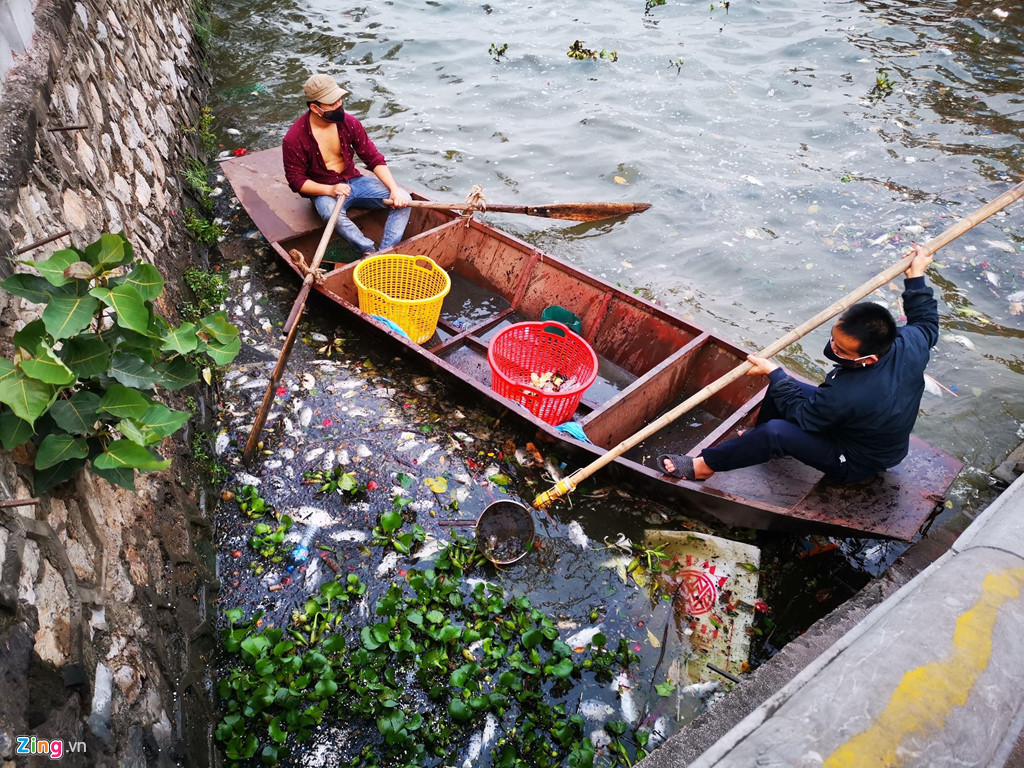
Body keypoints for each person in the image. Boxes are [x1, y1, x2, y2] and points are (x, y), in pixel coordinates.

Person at [657, 245, 938, 484]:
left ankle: (703, 467)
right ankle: (754, 441)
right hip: (865, 425)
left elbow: (805, 416)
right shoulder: (913, 340)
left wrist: (775, 374)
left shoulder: (850, 393)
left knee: (775, 428)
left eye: (841, 349)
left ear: (870, 358)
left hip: (856, 458)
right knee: (780, 390)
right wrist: (916, 275)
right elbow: (925, 320)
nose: (833, 348)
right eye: (834, 338)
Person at [282, 73, 412, 258]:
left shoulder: (349, 123)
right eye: (331, 103)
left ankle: (384, 253)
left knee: (405, 199)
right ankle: (367, 249)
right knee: (330, 214)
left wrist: (394, 190)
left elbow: (373, 157)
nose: (338, 106)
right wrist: (330, 190)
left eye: (339, 100)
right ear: (315, 107)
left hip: (355, 182)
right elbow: (296, 181)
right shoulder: (295, 138)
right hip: (325, 189)